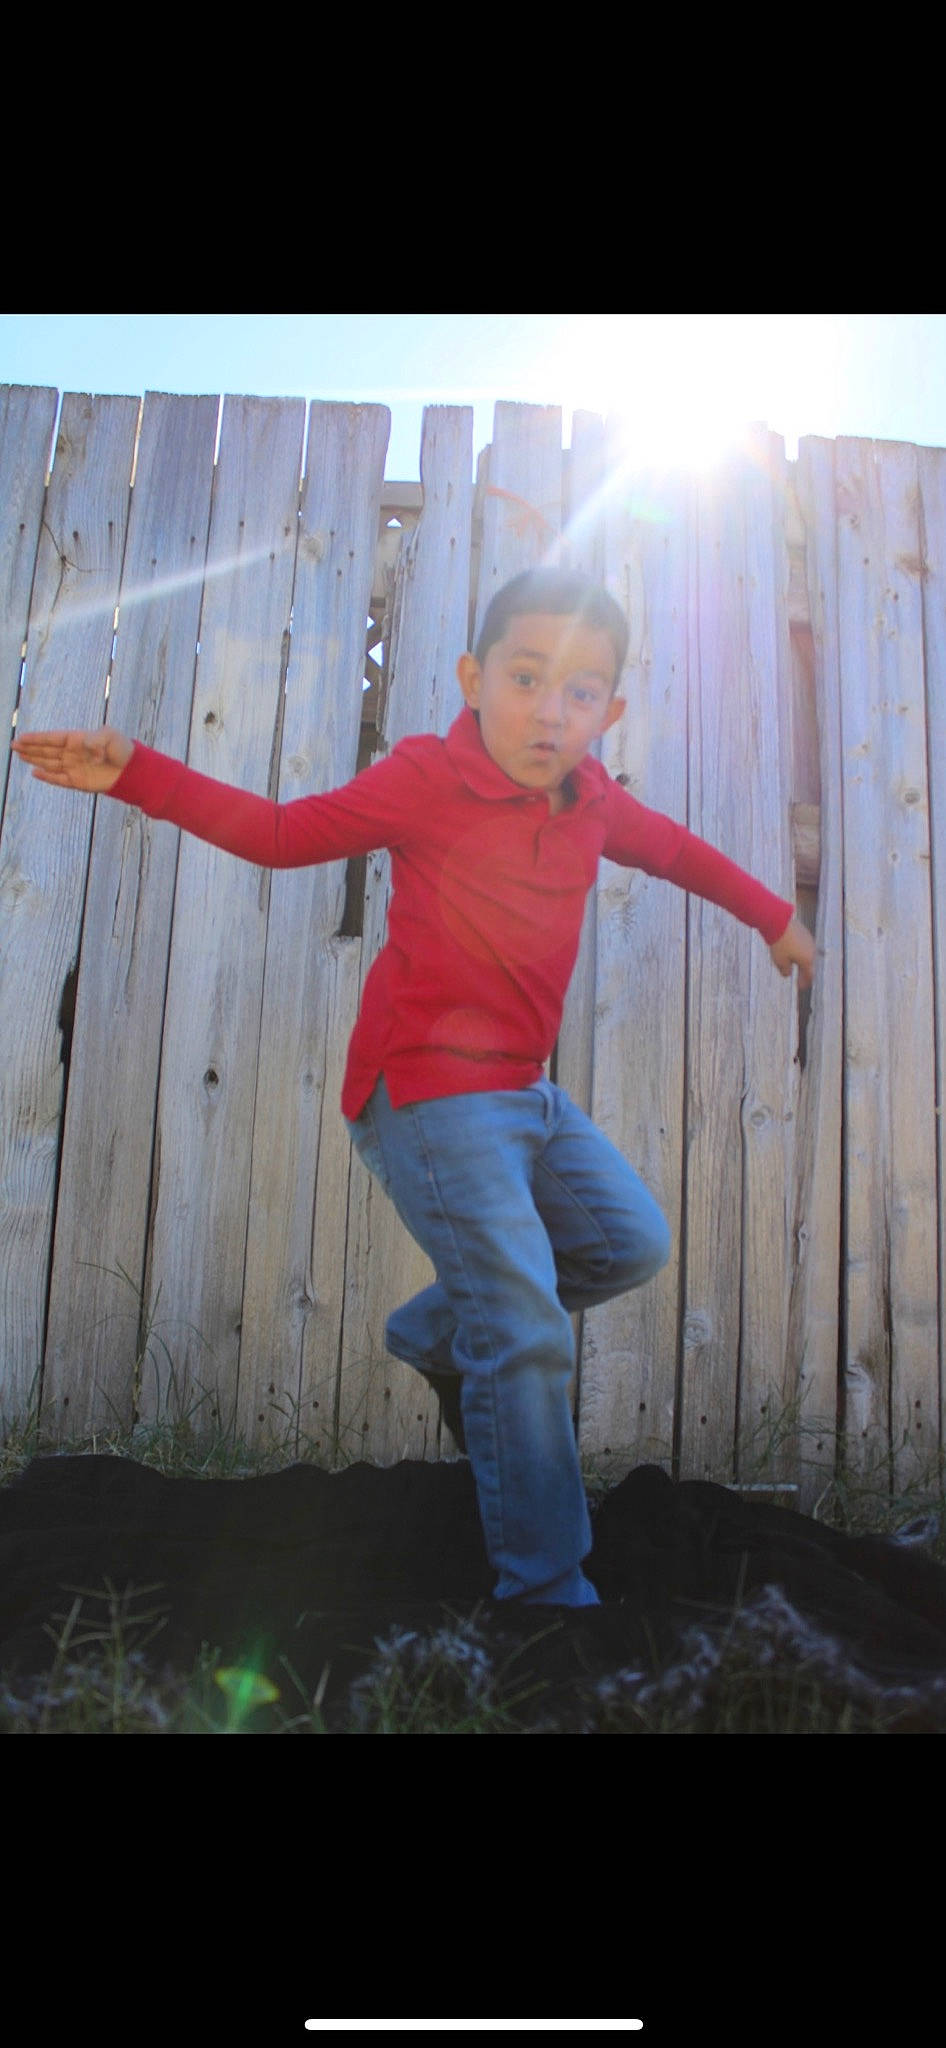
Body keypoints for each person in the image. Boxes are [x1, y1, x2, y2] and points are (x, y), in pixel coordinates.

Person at [13, 567, 815, 1609]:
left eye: (581, 691)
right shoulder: (425, 777)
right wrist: (139, 773)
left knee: (626, 1241)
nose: (550, 709)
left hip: (524, 1093)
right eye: (527, 677)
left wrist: (773, 916)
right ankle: (544, 1588)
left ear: (608, 711)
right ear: (475, 678)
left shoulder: (591, 799)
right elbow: (282, 833)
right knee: (524, 1322)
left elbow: (676, 850)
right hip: (423, 1092)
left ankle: (436, 1330)